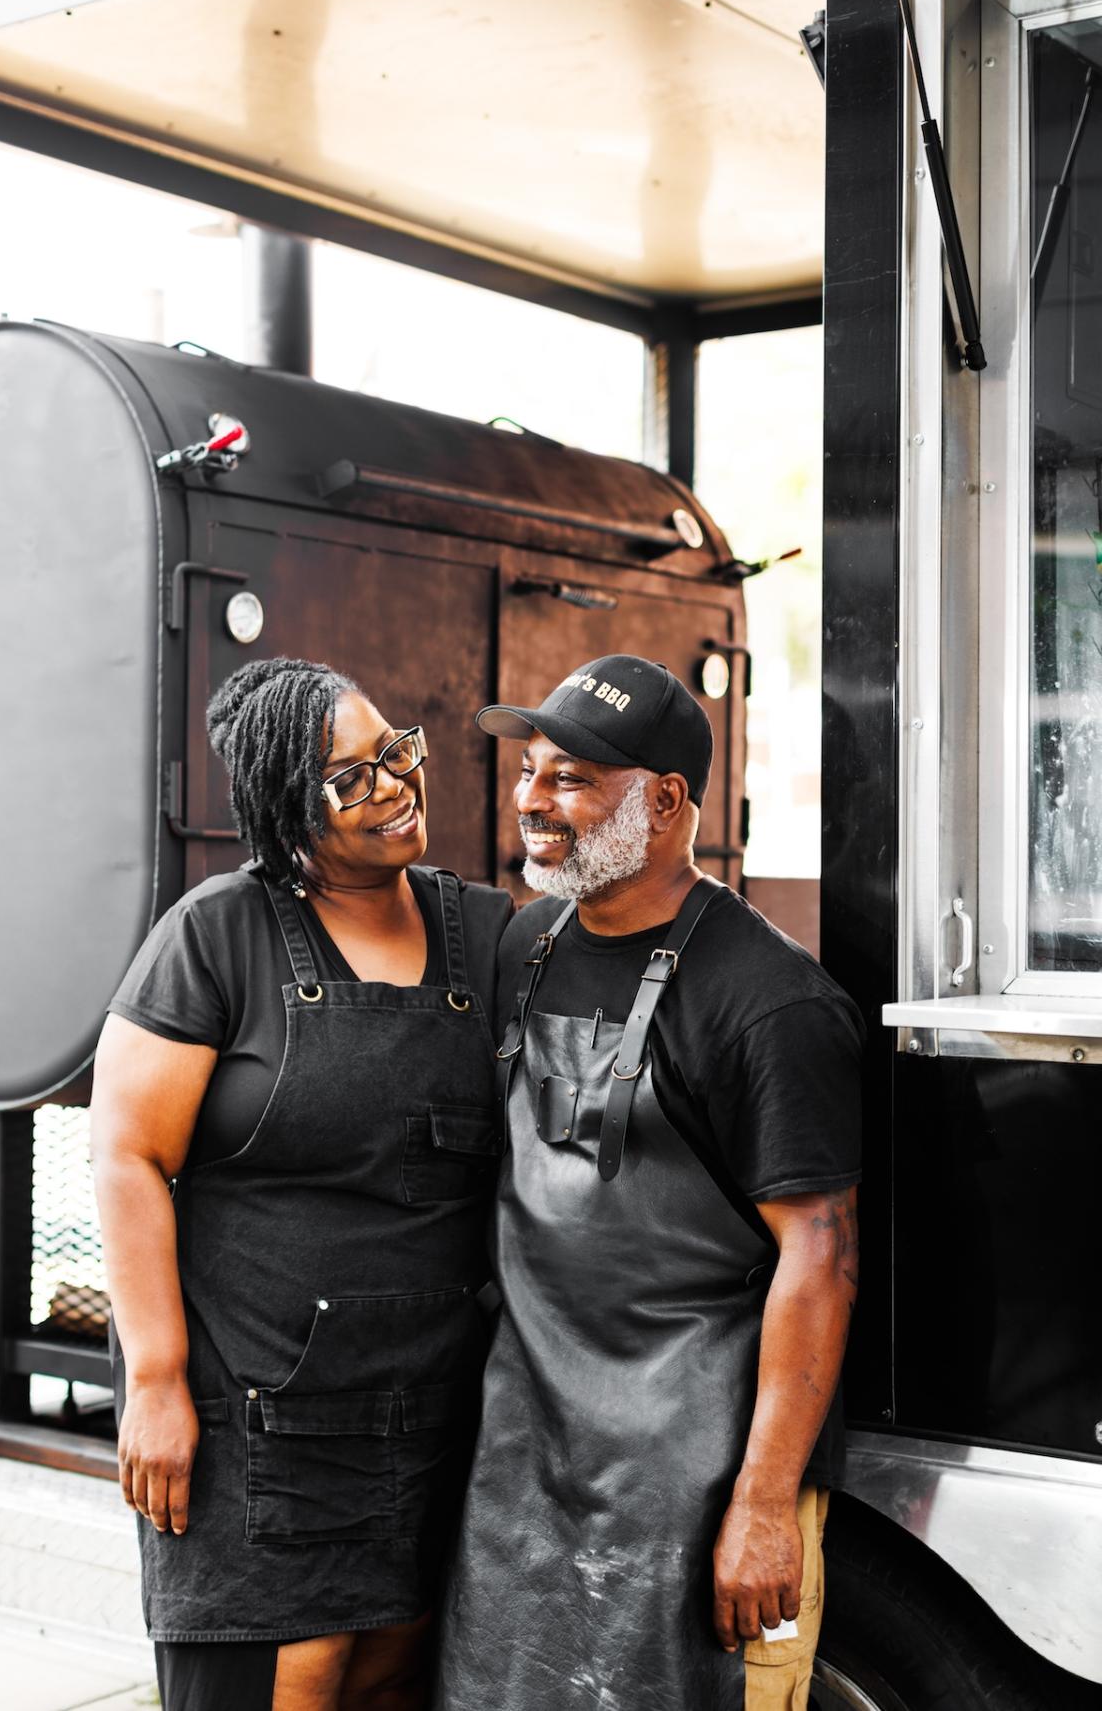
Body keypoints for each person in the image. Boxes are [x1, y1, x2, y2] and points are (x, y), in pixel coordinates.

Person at [435, 654, 864, 1711]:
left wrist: (763, 1504)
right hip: (523, 1455)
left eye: (573, 776)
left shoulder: (769, 1002)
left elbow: (822, 1254)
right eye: (531, 769)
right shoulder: (525, 943)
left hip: (695, 1470)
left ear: (665, 800)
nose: (534, 796)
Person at [90, 657, 511, 1711]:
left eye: (395, 750)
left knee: (393, 1670)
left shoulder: (490, 936)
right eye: (351, 777)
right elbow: (127, 1151)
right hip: (253, 1414)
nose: (397, 783)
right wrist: (154, 1377)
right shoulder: (217, 937)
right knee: (293, 1672)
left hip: (431, 1409)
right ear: (285, 814)